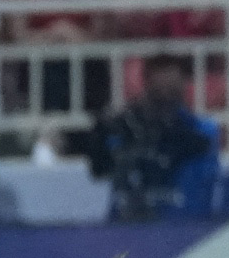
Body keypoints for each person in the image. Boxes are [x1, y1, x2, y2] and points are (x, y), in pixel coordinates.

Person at [88, 51, 220, 220]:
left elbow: (204, 178)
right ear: (147, 83)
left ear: (183, 85)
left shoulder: (200, 130)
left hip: (181, 216)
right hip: (126, 216)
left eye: (172, 90)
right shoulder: (125, 125)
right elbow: (99, 169)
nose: (166, 98)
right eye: (159, 91)